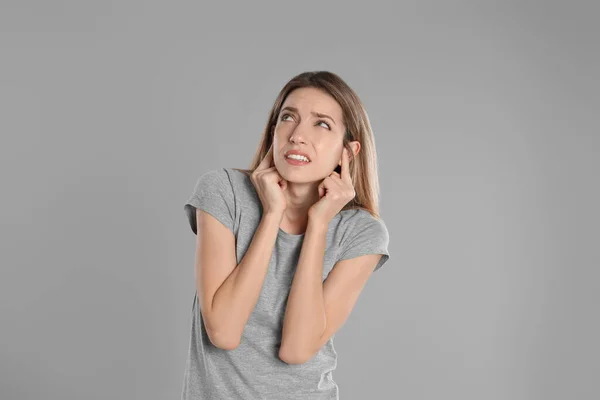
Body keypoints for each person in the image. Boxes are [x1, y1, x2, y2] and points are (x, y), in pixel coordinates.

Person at [181, 71, 390, 399]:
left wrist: (318, 225)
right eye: (288, 118)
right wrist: (271, 215)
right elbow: (223, 331)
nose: (297, 135)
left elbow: (296, 349)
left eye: (321, 124)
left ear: (346, 153)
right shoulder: (224, 192)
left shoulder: (361, 233)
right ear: (273, 132)